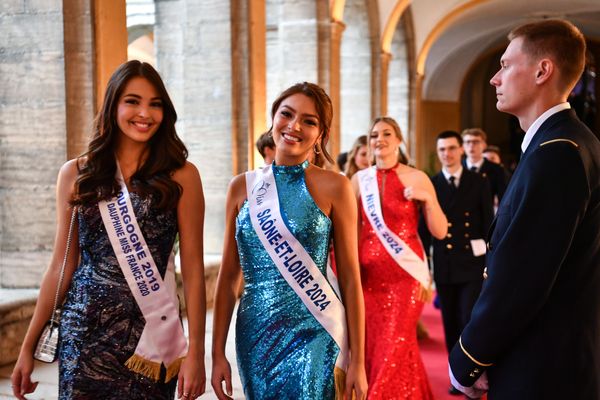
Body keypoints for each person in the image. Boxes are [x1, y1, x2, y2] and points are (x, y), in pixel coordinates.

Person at [10, 60, 207, 400]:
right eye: (133, 101)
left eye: (155, 104)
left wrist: (197, 354)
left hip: (150, 336)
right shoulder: (76, 173)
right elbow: (61, 264)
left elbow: (192, 268)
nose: (144, 113)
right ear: (113, 104)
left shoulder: (182, 176)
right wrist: (28, 346)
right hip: (84, 332)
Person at [449, 19, 600, 399]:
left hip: (544, 365)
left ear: (542, 70)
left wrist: (469, 358)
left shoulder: (557, 153)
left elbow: (523, 276)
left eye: (505, 65)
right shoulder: (569, 142)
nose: (494, 79)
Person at [211, 82, 367, 399]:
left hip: (317, 329)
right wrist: (216, 355)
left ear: (321, 134)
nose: (294, 126)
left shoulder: (335, 186)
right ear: (273, 118)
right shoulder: (241, 187)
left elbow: (350, 278)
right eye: (287, 114)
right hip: (256, 333)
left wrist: (358, 361)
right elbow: (228, 278)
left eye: (309, 121)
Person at [352, 116, 447, 399]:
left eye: (386, 133)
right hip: (368, 280)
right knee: (376, 345)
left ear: (399, 140)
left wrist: (428, 201)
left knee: (396, 341)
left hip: (406, 277)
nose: (379, 139)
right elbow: (351, 228)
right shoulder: (360, 180)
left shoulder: (417, 177)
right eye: (374, 135)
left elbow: (440, 231)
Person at [419, 130, 494, 396]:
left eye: (451, 148)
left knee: (468, 318)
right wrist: (422, 266)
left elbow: (488, 224)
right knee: (450, 320)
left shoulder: (478, 181)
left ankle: (475, 372)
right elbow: (424, 228)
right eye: (442, 149)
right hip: (445, 262)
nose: (447, 154)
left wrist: (490, 261)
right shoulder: (432, 183)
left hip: (472, 264)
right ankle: (457, 376)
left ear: (460, 150)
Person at [461, 128, 509, 203]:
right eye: (467, 142)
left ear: (484, 145)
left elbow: (503, 198)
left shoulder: (497, 169)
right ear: (462, 146)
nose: (471, 146)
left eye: (476, 142)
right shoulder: (457, 167)